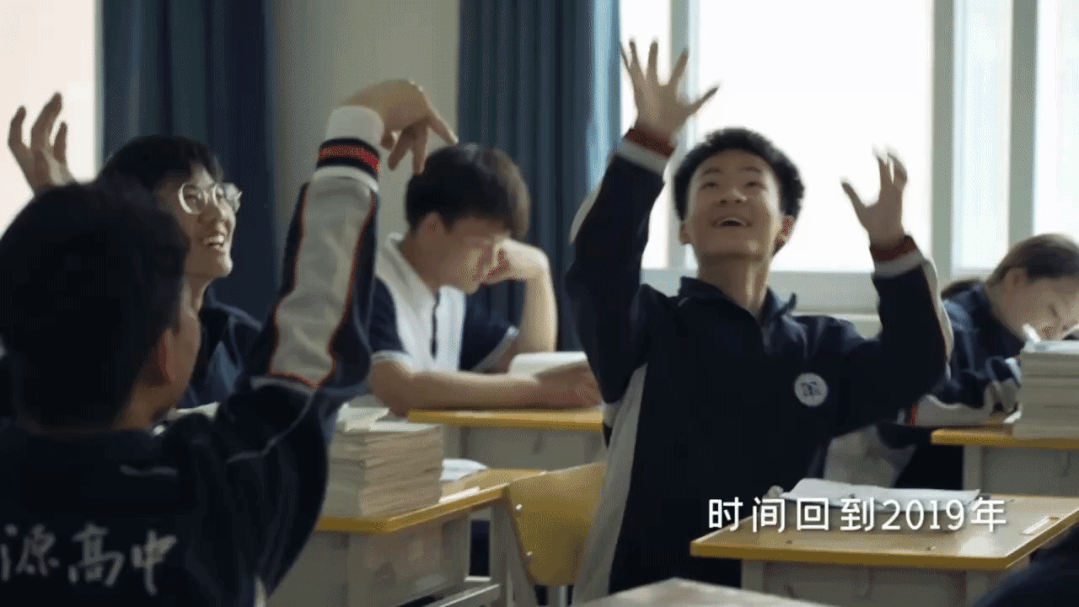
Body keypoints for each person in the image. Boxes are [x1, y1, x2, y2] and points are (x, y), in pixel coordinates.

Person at [0, 79, 455, 604]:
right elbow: (312, 336)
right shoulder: (215, 491)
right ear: (163, 355)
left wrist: (70, 238)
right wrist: (357, 125)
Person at [566, 40, 952, 600]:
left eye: (753, 184)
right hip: (647, 593)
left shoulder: (819, 347)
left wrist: (892, 246)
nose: (732, 195)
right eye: (710, 185)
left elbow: (918, 364)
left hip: (779, 588)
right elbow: (599, 262)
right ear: (684, 229)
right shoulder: (644, 329)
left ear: (784, 228)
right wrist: (648, 141)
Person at [3, 94, 259, 413]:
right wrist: (75, 218)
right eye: (193, 197)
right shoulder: (99, 342)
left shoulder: (246, 339)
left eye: (221, 195)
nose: (218, 213)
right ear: (137, 215)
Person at [824, 233, 1079, 490]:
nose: (1056, 332)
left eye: (1067, 327)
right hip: (886, 489)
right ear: (1016, 280)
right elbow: (904, 409)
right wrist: (1012, 376)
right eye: (1053, 311)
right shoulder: (947, 328)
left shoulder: (1012, 336)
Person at [365, 144, 600, 418]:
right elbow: (402, 389)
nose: (492, 260)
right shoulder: (370, 286)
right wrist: (541, 388)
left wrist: (538, 273)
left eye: (500, 246)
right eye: (483, 246)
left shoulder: (448, 295)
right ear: (432, 228)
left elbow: (526, 361)